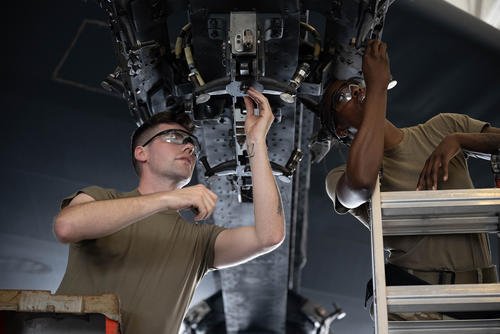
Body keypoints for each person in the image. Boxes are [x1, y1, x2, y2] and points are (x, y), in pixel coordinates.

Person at [53, 87, 285, 333]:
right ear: (141, 153)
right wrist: (167, 199)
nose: (188, 148)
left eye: (190, 143)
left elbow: (269, 236)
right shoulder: (101, 198)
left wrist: (256, 141)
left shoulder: (200, 243)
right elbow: (66, 227)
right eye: (173, 138)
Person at [322, 40, 500, 320]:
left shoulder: (444, 127)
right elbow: (360, 185)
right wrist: (377, 88)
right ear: (341, 129)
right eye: (341, 97)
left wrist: (460, 139)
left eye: (356, 84)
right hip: (420, 307)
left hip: (483, 300)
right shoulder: (338, 179)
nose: (354, 90)